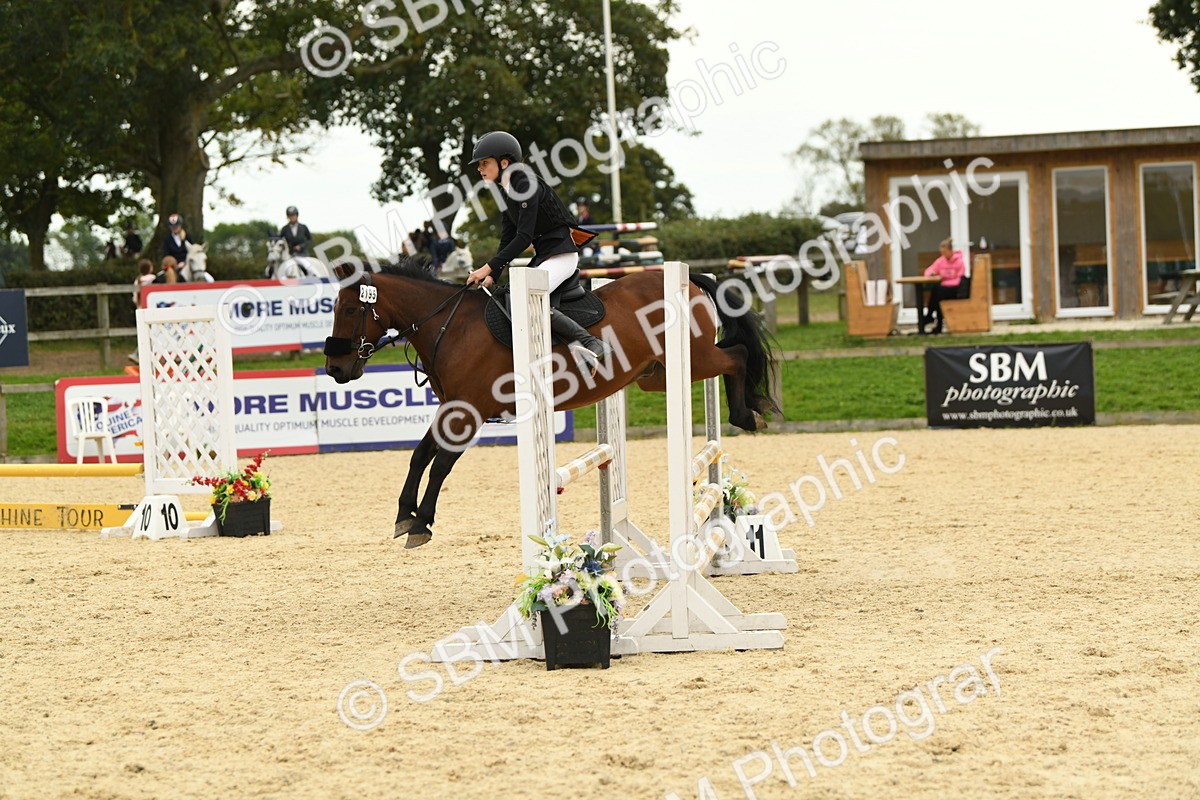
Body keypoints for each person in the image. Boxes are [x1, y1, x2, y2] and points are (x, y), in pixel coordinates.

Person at [465, 130, 610, 374]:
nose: (480, 169)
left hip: (562, 255)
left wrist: (486, 267)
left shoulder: (526, 183)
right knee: (512, 294)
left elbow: (523, 237)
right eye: (479, 164)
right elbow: (508, 237)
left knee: (526, 299)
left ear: (504, 162)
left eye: (484, 163)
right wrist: (494, 274)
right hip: (545, 256)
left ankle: (589, 342)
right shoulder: (506, 190)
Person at [922, 237, 966, 335]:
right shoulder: (941, 261)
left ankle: (930, 317)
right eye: (942, 252)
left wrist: (945, 280)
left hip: (955, 289)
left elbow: (959, 279)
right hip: (943, 289)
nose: (943, 255)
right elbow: (929, 270)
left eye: (945, 252)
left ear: (950, 251)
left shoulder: (959, 261)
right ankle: (937, 325)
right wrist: (932, 273)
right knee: (938, 296)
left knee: (937, 291)